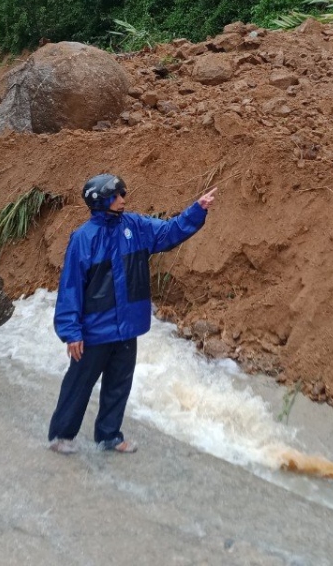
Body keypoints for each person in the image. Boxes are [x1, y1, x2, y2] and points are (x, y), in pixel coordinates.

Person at [49, 174, 216, 454]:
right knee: (79, 384)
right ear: (100, 201)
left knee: (118, 385)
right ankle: (61, 436)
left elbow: (168, 232)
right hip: (94, 332)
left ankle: (109, 436)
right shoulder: (83, 239)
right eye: (116, 196)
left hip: (127, 328)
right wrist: (71, 332)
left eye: (122, 194)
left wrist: (197, 210)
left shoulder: (136, 226)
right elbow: (70, 288)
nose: (123, 200)